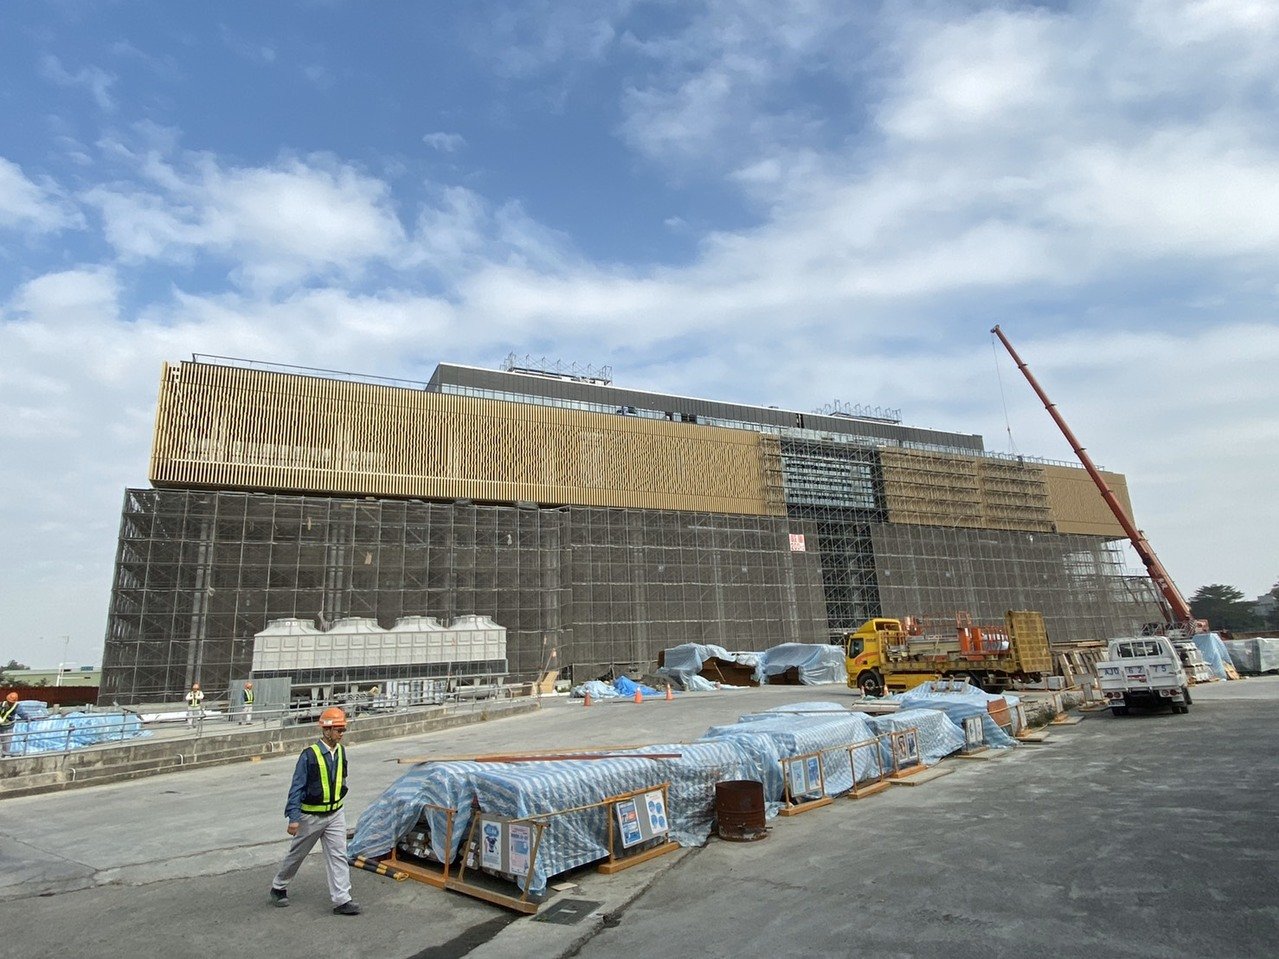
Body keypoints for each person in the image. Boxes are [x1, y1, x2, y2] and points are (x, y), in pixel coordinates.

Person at [269, 707, 361, 915]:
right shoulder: (309, 755)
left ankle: (342, 899)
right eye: (338, 729)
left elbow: (342, 779)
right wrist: (294, 818)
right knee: (297, 854)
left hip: (335, 813)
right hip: (311, 816)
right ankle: (279, 886)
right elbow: (297, 787)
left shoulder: (341, 752)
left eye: (343, 730)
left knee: (339, 855)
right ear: (326, 731)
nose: (341, 733)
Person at [0, 692, 19, 757]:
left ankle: (4, 757)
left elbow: (23, 714)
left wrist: (28, 718)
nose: (9, 702)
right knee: (5, 743)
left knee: (6, 744)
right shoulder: (2, 704)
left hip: (8, 728)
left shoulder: (17, 707)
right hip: (1, 726)